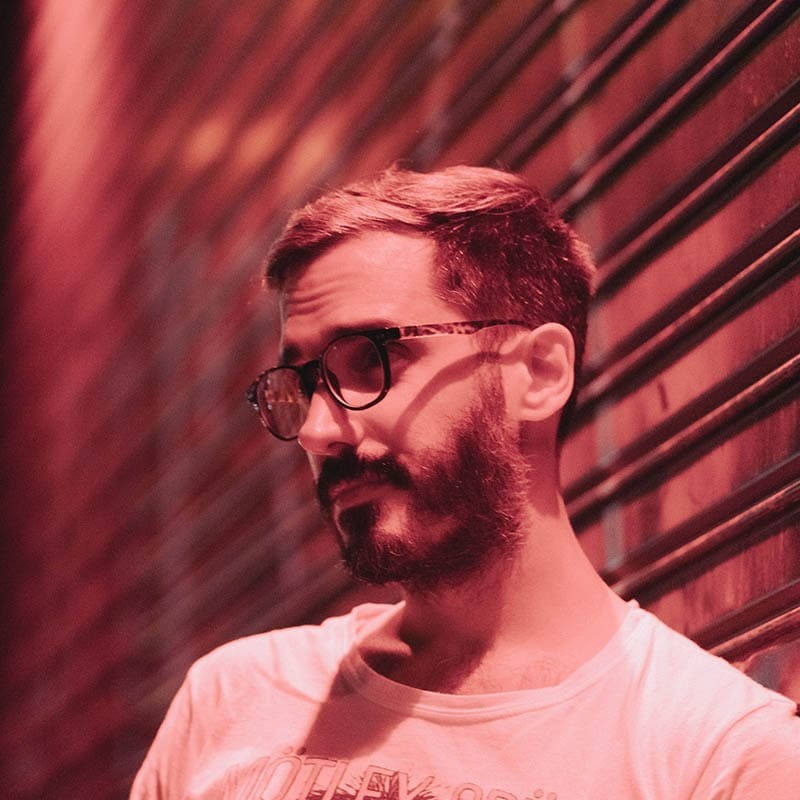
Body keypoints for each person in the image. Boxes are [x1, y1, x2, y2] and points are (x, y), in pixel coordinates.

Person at [131, 166, 800, 799]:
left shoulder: (719, 757)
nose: (317, 431)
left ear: (539, 374)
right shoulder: (234, 699)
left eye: (372, 359)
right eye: (301, 386)